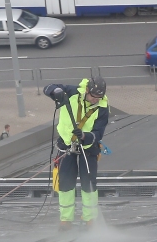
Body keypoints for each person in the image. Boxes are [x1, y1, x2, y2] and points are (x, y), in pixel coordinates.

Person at [44, 78, 109, 229]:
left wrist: (85, 136)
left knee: (88, 183)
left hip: (88, 147)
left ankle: (90, 219)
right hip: (66, 144)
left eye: (98, 98)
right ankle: (66, 220)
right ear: (87, 90)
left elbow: (98, 133)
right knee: (65, 182)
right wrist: (56, 92)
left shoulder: (103, 107)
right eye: (93, 96)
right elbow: (48, 87)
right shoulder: (72, 92)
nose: (95, 100)